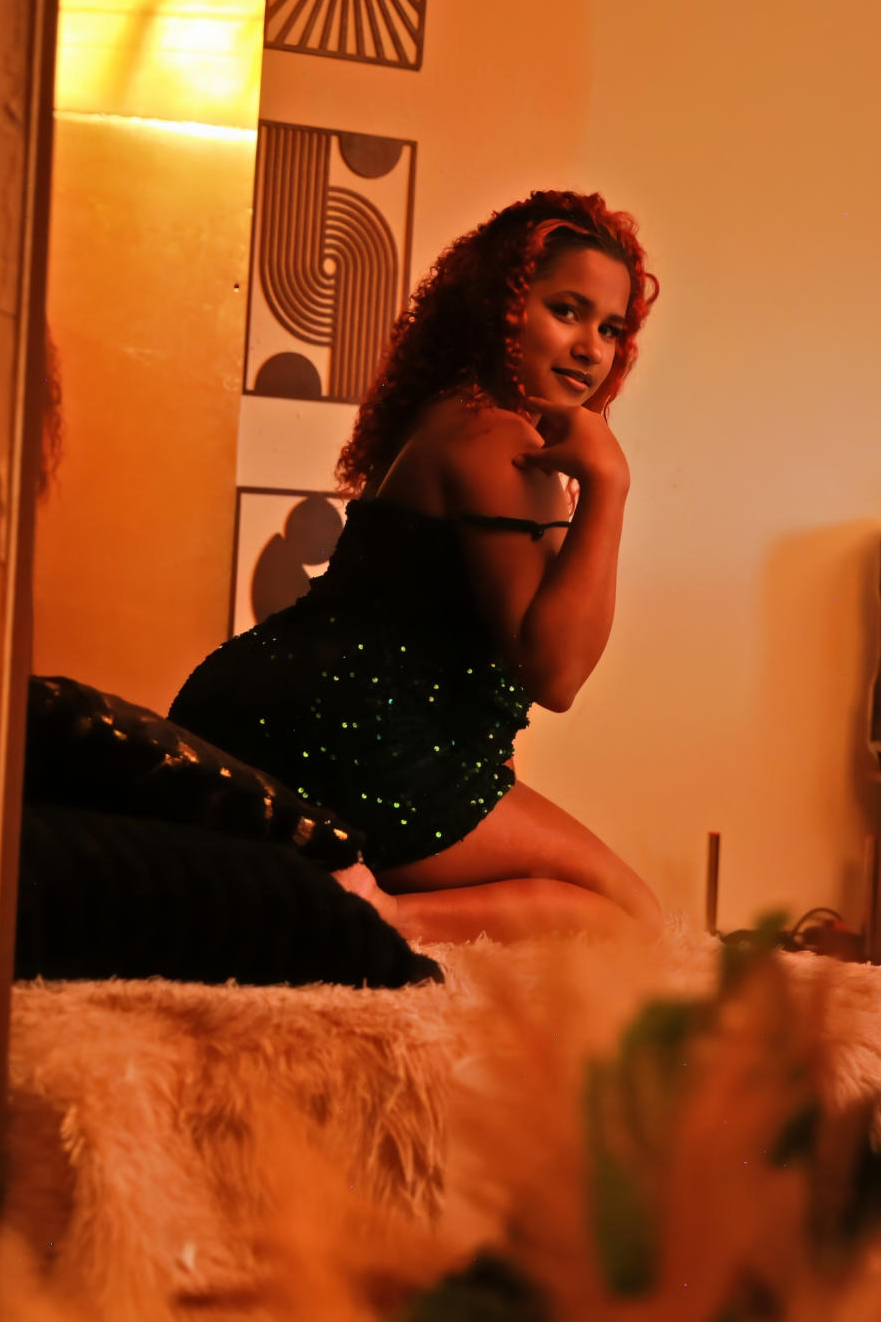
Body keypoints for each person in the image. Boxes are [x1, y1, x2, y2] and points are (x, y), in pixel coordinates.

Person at [171, 190, 664, 943]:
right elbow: (556, 675)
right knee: (634, 919)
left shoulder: (451, 414)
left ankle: (354, 895)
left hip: (270, 712)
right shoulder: (495, 439)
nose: (590, 348)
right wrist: (610, 485)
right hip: (346, 734)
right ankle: (383, 914)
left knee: (597, 902)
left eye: (610, 328)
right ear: (500, 308)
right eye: (566, 311)